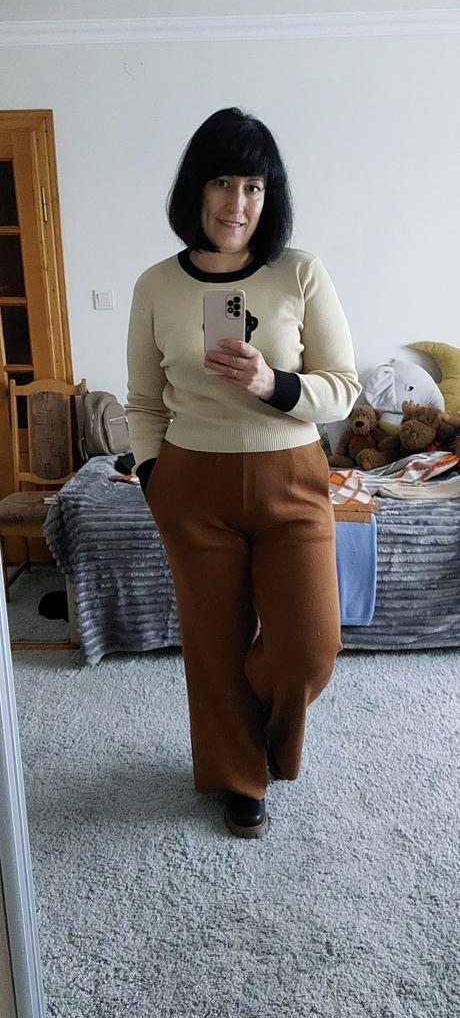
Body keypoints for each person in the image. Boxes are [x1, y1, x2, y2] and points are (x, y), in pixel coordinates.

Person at [126, 107, 361, 840]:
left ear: (270, 194)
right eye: (222, 182)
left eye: (254, 186)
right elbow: (142, 401)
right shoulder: (156, 285)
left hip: (291, 476)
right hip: (191, 484)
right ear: (196, 189)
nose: (237, 203)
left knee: (308, 648)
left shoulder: (300, 272)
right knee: (214, 645)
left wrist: (273, 384)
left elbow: (344, 389)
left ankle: (258, 735)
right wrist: (154, 476)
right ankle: (238, 776)